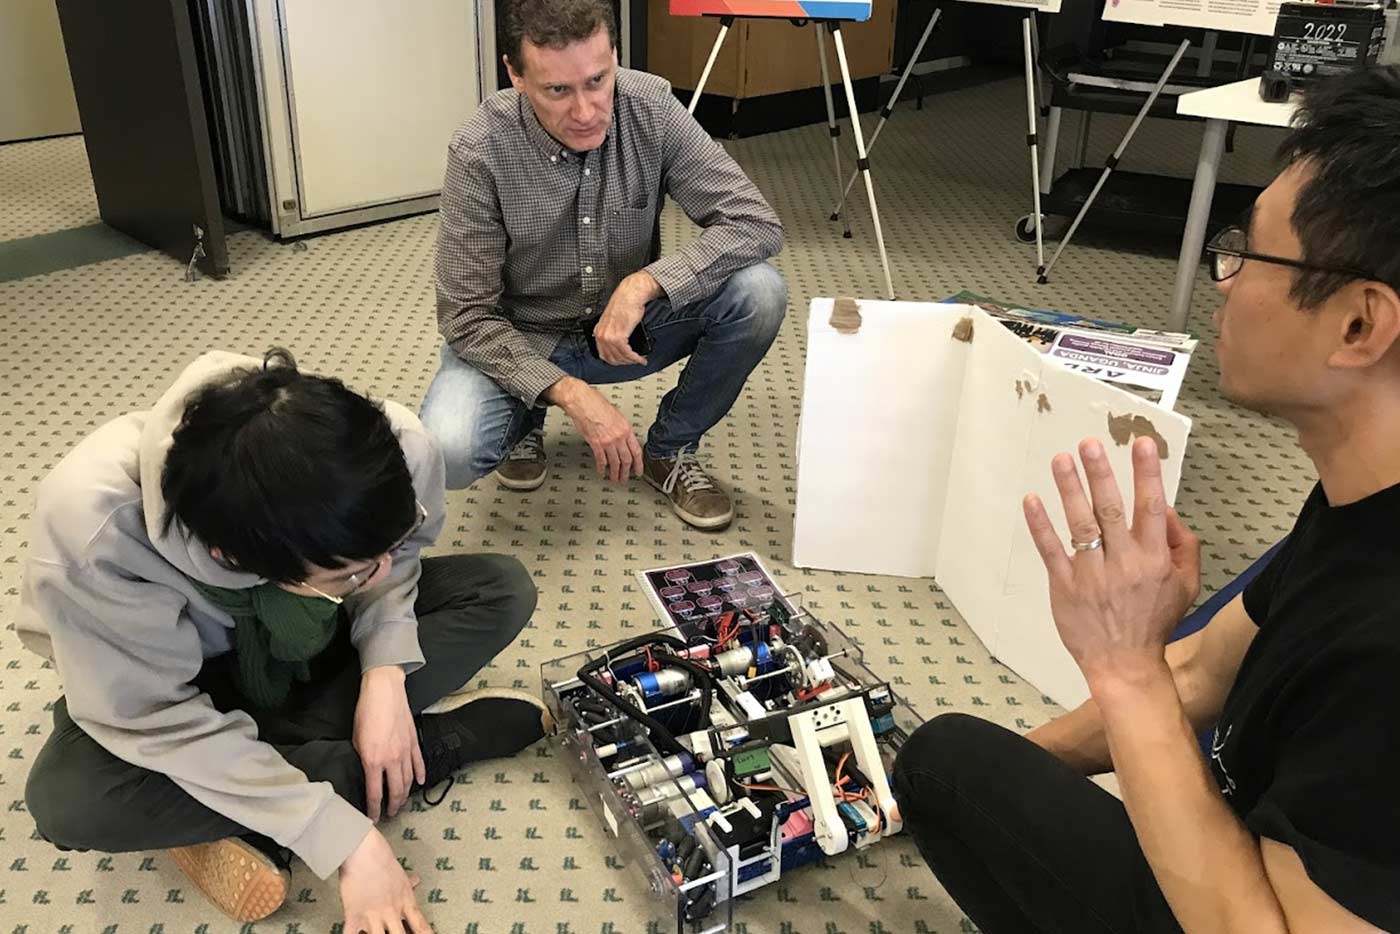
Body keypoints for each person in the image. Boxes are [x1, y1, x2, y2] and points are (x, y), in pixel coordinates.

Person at [892, 67, 1400, 933]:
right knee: (960, 765)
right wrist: (1030, 759)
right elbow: (1202, 670)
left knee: (958, 761)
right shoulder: (1362, 500)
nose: (1224, 279)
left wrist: (1122, 667)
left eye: (1249, 253)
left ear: (1360, 324)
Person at [19, 350, 550, 933]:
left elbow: (399, 562)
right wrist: (341, 838)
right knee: (68, 802)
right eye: (348, 573)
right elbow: (149, 716)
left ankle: (249, 795)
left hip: (308, 641)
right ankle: (409, 756)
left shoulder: (394, 444)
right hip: (180, 677)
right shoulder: (92, 532)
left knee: (499, 589)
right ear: (237, 561)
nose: (376, 576)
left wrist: (385, 673)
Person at [419, 0, 787, 532]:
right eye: (558, 91)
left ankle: (671, 448)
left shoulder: (652, 107)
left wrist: (645, 283)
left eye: (598, 80)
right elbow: (466, 318)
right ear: (516, 76)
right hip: (523, 336)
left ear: (614, 56)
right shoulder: (481, 150)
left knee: (760, 292)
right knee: (448, 450)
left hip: (626, 330)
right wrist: (569, 393)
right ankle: (529, 407)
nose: (588, 110)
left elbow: (755, 223)